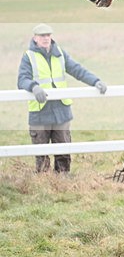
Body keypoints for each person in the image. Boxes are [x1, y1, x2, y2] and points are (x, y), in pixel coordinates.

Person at [17, 23, 108, 173]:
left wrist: (96, 81)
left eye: (48, 35)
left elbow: (77, 70)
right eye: (42, 36)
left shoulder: (59, 53)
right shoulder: (29, 56)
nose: (46, 38)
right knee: (41, 154)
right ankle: (43, 183)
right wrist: (34, 87)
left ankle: (63, 182)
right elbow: (22, 79)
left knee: (64, 151)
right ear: (35, 38)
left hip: (61, 111)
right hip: (40, 112)